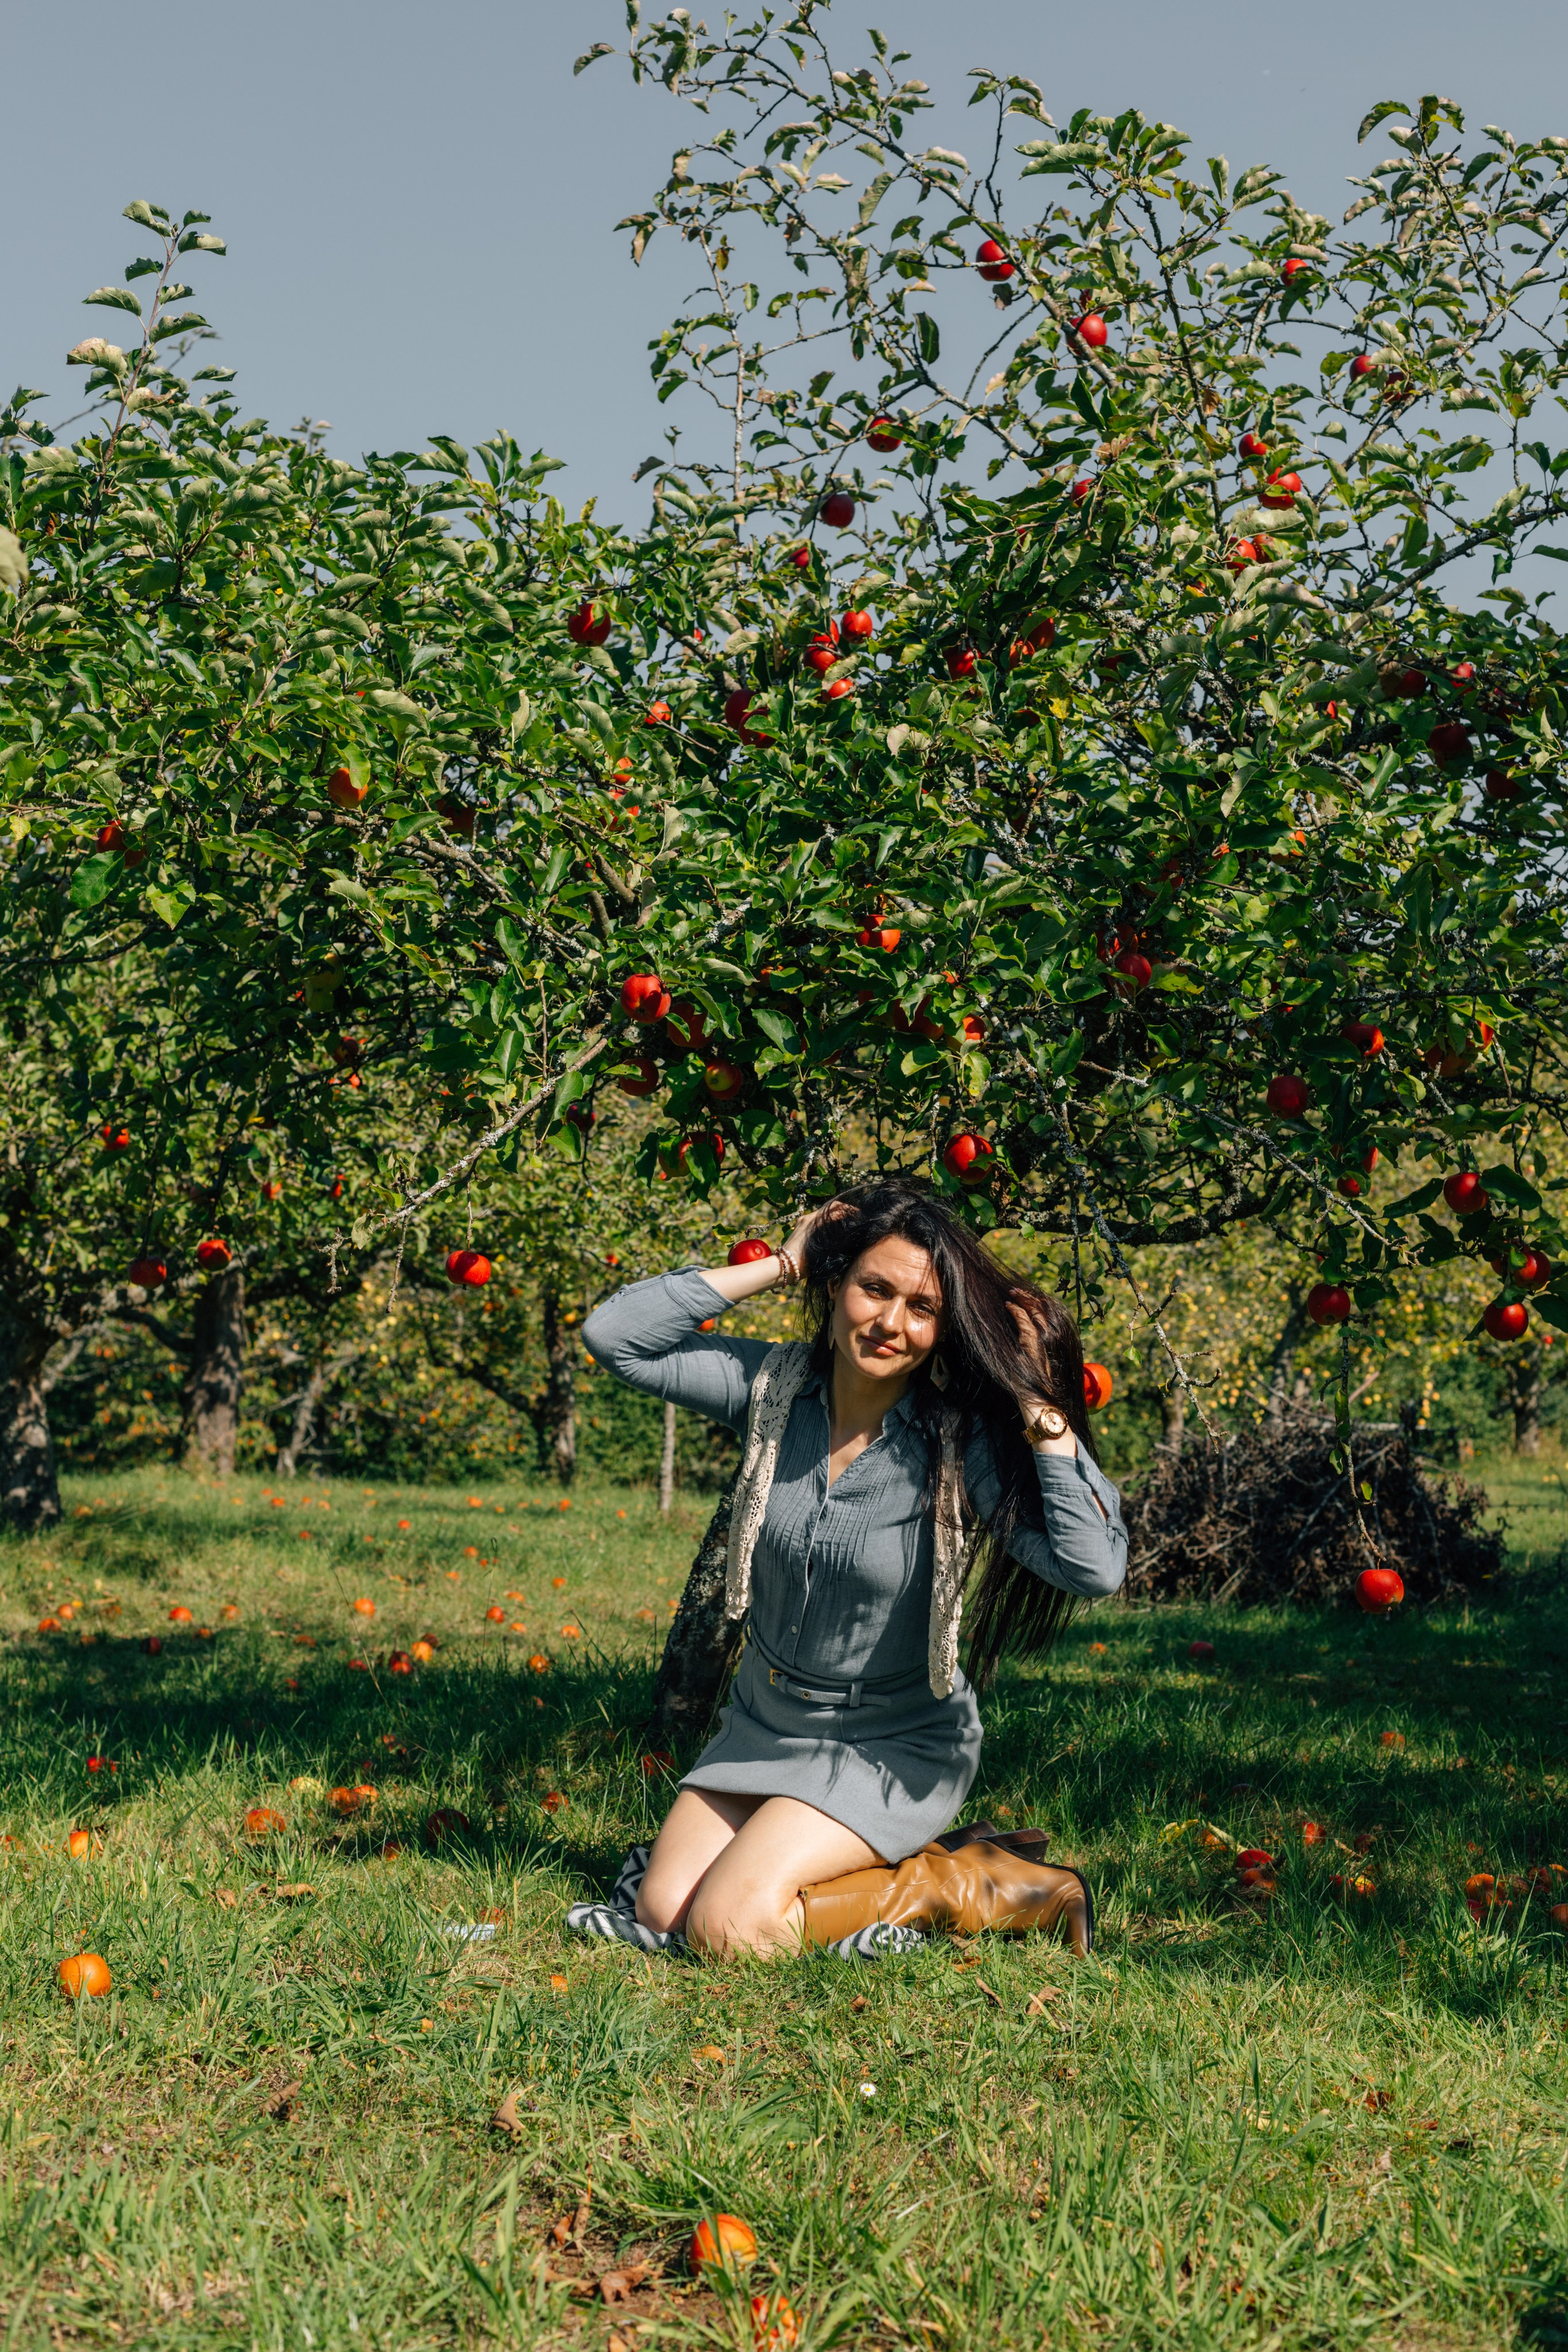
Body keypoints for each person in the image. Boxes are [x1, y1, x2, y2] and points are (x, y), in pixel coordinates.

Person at [572, 1181, 1126, 1961]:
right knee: (665, 1912)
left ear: (944, 1329)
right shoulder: (769, 1389)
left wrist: (1040, 1409)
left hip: (891, 1742)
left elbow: (1093, 1568)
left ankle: (956, 1883)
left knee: (729, 1931)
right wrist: (786, 1262)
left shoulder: (956, 1445)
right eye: (874, 1288)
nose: (891, 1323)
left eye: (922, 1308)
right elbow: (613, 1335)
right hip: (766, 1722)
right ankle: (815, 1871)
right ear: (838, 1286)